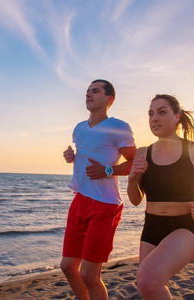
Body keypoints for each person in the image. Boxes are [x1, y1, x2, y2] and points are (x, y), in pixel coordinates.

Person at [127, 94, 194, 299]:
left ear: (177, 117)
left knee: (148, 278)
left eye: (161, 112)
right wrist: (132, 178)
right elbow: (135, 199)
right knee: (152, 286)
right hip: (151, 227)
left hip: (184, 226)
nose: (154, 118)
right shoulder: (143, 152)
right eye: (150, 114)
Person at [61, 79, 136, 300]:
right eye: (87, 91)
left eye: (95, 91)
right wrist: (71, 157)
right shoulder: (79, 128)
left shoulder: (119, 127)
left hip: (105, 204)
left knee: (89, 275)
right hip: (79, 199)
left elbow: (134, 162)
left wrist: (108, 171)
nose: (88, 94)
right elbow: (84, 155)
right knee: (67, 266)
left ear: (108, 99)